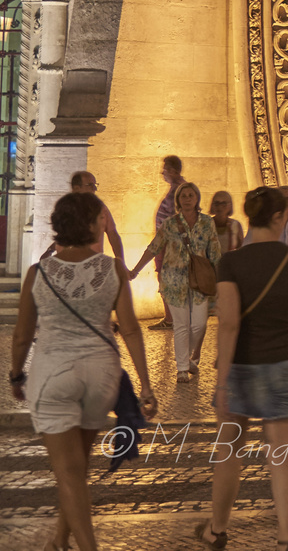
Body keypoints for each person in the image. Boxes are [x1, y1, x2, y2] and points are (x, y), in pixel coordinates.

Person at [9, 190, 158, 551]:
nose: (105, 222)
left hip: (54, 377)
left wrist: (16, 375)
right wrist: (146, 386)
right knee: (76, 469)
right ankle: (59, 538)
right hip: (101, 377)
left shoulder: (37, 273)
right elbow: (132, 329)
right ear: (90, 225)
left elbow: (23, 334)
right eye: (101, 217)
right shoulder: (113, 269)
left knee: (69, 472)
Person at [201, 185, 288, 551]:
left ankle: (217, 529)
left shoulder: (231, 263)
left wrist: (221, 382)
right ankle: (286, 539)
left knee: (230, 451)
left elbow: (229, 324)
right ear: (277, 217)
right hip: (284, 362)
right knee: (282, 455)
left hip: (241, 366)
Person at [141, 182, 222, 382]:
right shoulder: (170, 224)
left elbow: (215, 251)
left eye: (190, 195)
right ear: (178, 200)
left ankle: (188, 359)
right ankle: (182, 369)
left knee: (199, 325)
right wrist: (135, 269)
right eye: (183, 196)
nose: (187, 198)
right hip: (174, 281)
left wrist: (221, 276)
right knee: (181, 326)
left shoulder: (206, 223)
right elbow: (155, 247)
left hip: (199, 281)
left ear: (197, 199)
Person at [130, 155, 185, 328]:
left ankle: (171, 319)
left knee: (165, 279)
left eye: (166, 169)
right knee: (164, 279)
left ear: (174, 171)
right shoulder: (177, 188)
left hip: (168, 244)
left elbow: (178, 219)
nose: (163, 173)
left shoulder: (179, 191)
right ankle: (171, 318)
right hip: (165, 242)